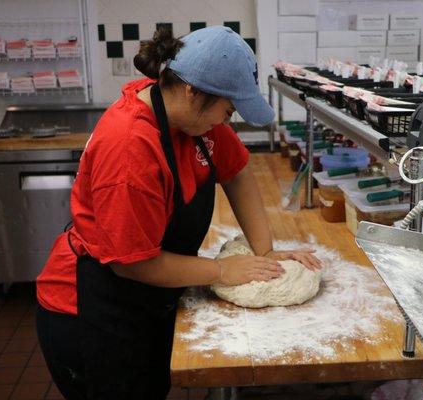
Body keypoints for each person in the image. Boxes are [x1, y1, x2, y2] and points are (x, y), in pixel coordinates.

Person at [35, 26, 321, 400]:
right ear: (193, 91)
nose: (227, 121)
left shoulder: (195, 120)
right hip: (92, 312)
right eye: (228, 110)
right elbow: (131, 263)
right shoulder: (129, 150)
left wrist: (264, 252)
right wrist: (220, 270)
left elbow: (237, 174)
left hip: (145, 298)